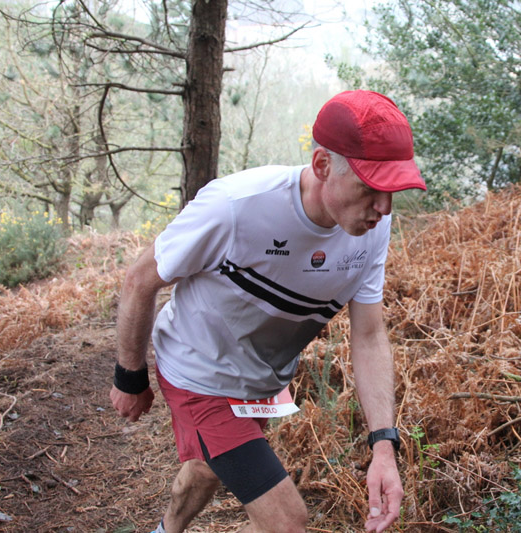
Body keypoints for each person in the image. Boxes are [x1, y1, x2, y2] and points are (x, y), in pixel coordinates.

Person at [110, 90, 426, 533]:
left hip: (261, 379)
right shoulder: (235, 207)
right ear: (322, 165)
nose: (384, 207)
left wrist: (384, 447)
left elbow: (370, 336)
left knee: (208, 465)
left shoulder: (372, 226)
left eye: (392, 190)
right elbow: (141, 279)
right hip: (199, 371)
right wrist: (129, 377)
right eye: (371, 187)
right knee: (286, 521)